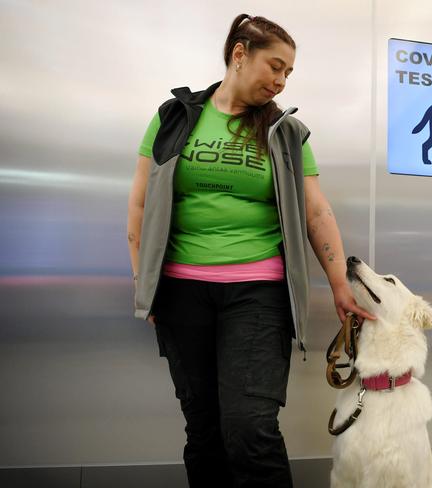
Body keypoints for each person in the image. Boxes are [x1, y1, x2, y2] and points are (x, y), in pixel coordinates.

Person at [126, 13, 375, 488]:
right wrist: (144, 283)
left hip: (258, 295)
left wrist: (340, 285)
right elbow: (140, 203)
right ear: (239, 53)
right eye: (275, 67)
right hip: (181, 293)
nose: (281, 81)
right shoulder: (174, 116)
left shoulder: (285, 131)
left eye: (289, 74)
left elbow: (316, 213)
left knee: (250, 428)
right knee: (203, 430)